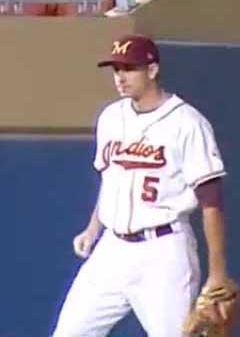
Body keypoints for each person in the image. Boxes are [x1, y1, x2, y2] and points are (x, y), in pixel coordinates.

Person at [51, 35, 229, 336]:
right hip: (112, 249)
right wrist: (93, 229)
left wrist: (218, 272)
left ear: (152, 69)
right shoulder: (111, 116)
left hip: (163, 252)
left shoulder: (187, 122)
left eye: (129, 68)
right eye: (116, 69)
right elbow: (112, 180)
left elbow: (211, 201)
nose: (120, 77)